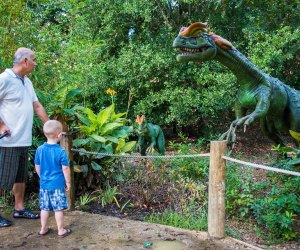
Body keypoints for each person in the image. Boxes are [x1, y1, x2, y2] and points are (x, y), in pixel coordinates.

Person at [0, 48, 49, 227]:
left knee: (21, 176)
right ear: (26, 61)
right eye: (34, 60)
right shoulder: (4, 79)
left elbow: (37, 106)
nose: (35, 63)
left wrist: (49, 126)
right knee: (2, 178)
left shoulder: (27, 82)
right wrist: (1, 125)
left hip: (23, 139)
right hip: (7, 141)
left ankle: (19, 208)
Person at [34, 120, 71, 237]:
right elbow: (65, 169)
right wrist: (68, 182)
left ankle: (43, 229)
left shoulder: (40, 149)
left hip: (44, 184)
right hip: (57, 185)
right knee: (58, 209)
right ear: (59, 135)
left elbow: (37, 166)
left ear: (45, 134)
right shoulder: (61, 151)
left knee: (44, 208)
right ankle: (61, 230)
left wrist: (42, 177)